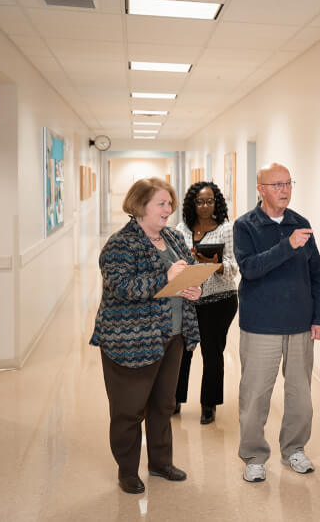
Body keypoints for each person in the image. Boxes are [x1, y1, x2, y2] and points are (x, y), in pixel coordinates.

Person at [89, 178, 203, 494]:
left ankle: (160, 463)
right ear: (140, 206)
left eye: (170, 203)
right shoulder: (119, 245)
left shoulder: (175, 238)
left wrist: (194, 288)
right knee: (129, 410)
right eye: (161, 204)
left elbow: (189, 270)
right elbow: (122, 288)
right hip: (131, 341)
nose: (169, 210)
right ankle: (127, 470)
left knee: (163, 406)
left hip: (173, 336)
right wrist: (164, 276)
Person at [233, 162, 320, 483]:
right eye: (276, 185)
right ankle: (254, 456)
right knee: (255, 394)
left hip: (300, 324)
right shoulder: (246, 226)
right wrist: (287, 246)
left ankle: (295, 450)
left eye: (288, 183)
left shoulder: (301, 223)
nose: (284, 190)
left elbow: (316, 274)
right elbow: (250, 269)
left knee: (301, 394)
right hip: (261, 325)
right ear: (260, 189)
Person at [174, 181, 239, 425]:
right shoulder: (181, 229)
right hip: (188, 300)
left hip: (220, 301)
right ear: (192, 203)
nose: (204, 206)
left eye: (209, 201)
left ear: (216, 203)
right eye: (199, 201)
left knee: (212, 353)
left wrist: (215, 264)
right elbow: (173, 265)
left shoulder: (226, 229)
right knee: (183, 352)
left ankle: (208, 404)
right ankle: (175, 399)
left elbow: (233, 269)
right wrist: (186, 260)